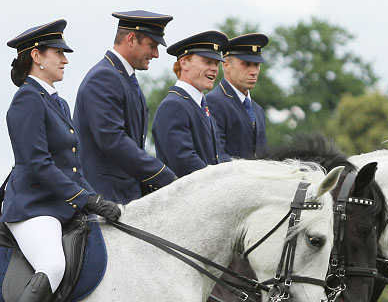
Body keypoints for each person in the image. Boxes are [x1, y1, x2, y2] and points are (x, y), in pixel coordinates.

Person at [0, 19, 120, 302]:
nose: (65, 60)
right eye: (58, 53)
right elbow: (39, 164)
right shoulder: (26, 100)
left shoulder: (56, 100)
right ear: (36, 56)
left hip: (59, 205)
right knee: (53, 264)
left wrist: (98, 201)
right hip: (32, 206)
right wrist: (83, 198)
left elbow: (71, 167)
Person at [73, 11, 177, 204]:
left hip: (124, 196)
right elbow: (113, 140)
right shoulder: (104, 77)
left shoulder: (122, 78)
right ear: (131, 39)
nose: (155, 54)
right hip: (106, 198)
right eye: (152, 45)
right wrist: (164, 176)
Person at [151, 30, 228, 178]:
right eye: (207, 61)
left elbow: (218, 156)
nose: (214, 68)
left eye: (216, 63)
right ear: (184, 63)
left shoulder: (200, 105)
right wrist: (220, 183)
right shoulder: (173, 106)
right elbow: (184, 161)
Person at [207, 33, 269, 160]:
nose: (253, 72)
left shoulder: (257, 110)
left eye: (256, 65)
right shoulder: (213, 102)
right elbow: (218, 155)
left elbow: (264, 157)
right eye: (246, 64)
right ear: (226, 65)